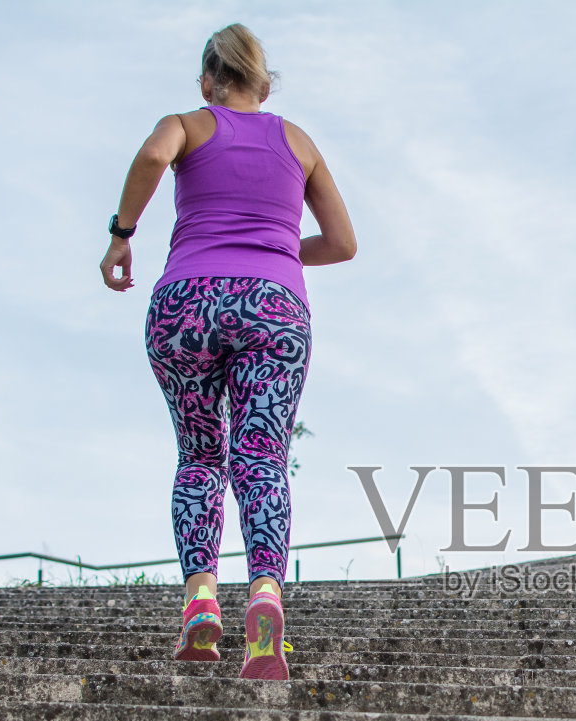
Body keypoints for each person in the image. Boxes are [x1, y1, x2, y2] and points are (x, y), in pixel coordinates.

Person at [99, 24, 355, 679]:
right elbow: (342, 243)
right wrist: (273, 250)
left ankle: (201, 601)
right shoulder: (297, 141)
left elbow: (153, 156)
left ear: (209, 81)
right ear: (264, 86)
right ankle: (265, 595)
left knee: (199, 456)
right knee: (261, 456)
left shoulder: (186, 124)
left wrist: (122, 235)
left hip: (186, 303)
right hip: (274, 308)